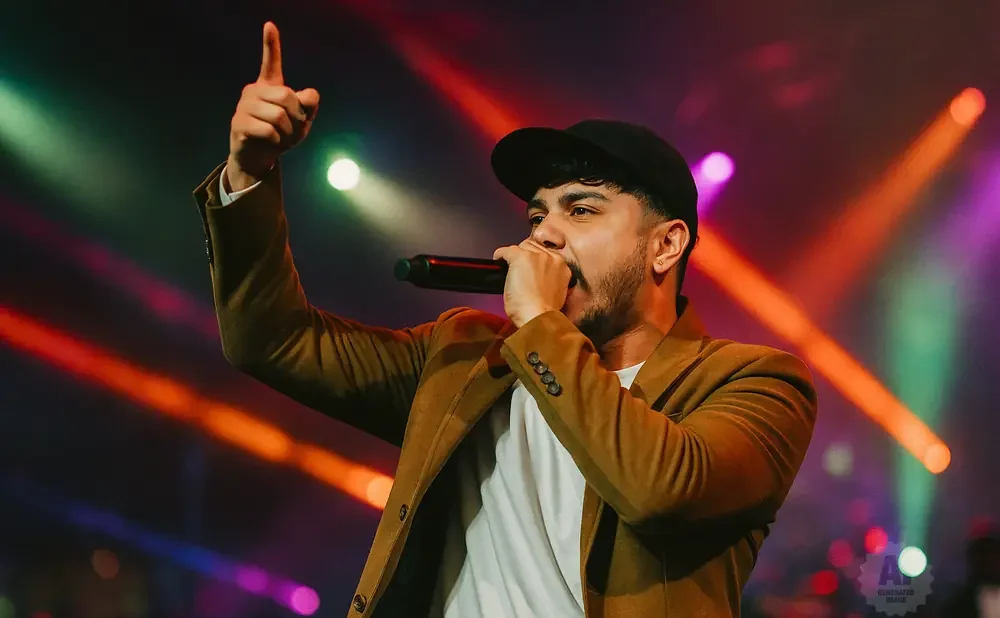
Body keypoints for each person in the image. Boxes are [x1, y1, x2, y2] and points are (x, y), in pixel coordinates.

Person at [193, 22, 818, 618]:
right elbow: (271, 339)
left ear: (666, 246)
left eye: (581, 210)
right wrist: (250, 173)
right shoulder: (464, 356)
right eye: (536, 216)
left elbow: (659, 490)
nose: (544, 235)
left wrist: (541, 321)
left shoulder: (757, 384)